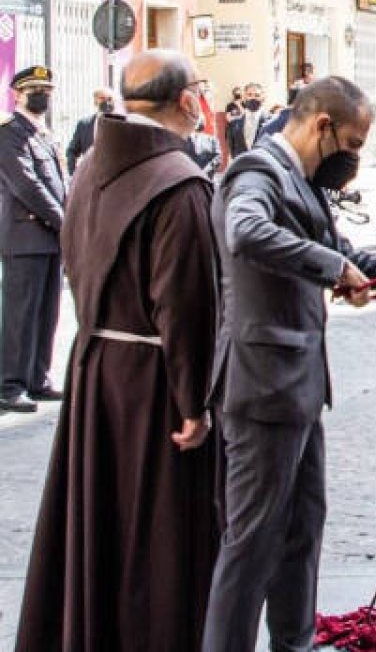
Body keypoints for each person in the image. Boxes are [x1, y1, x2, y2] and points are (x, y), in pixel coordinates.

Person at [201, 76, 376, 652]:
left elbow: (350, 258)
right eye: (351, 143)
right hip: (262, 388)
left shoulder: (303, 184)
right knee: (250, 545)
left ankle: (292, 643)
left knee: (301, 532)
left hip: (299, 388)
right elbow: (246, 233)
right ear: (322, 126)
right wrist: (331, 267)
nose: (353, 158)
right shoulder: (257, 172)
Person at [16, 50, 222, 651]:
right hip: (153, 380)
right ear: (185, 100)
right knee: (154, 536)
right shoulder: (180, 186)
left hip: (95, 367)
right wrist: (195, 403)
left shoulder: (86, 166)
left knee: (97, 527)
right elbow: (187, 307)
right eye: (199, 91)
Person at [0, 65, 66, 414]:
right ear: (18, 94)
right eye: (35, 90)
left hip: (51, 237)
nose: (42, 95)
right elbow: (27, 185)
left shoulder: (45, 133)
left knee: (47, 312)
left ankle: (38, 378)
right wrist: (63, 220)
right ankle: (11, 385)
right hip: (25, 235)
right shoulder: (9, 133)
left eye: (47, 90)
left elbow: (59, 182)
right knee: (21, 314)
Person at [65, 86, 115, 175]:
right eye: (102, 98)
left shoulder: (122, 123)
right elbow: (72, 151)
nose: (107, 102)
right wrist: (73, 174)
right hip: (90, 176)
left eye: (110, 99)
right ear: (95, 101)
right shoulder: (84, 124)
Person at [225, 82, 266, 158]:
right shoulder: (234, 124)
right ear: (244, 97)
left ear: (263, 98)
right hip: (241, 167)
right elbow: (232, 150)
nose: (253, 98)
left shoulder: (270, 122)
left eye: (257, 95)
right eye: (249, 95)